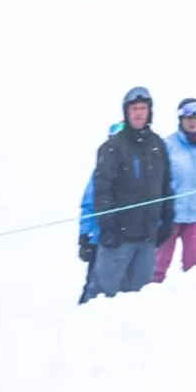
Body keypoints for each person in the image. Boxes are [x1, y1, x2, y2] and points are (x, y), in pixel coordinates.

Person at [87, 87, 173, 297]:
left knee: (139, 298)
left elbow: (167, 186)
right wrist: (107, 226)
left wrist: (167, 221)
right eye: (134, 108)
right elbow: (101, 190)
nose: (139, 113)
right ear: (126, 112)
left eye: (143, 108)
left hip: (147, 237)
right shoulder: (112, 147)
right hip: (118, 238)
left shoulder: (158, 145)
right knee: (104, 295)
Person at [154, 98, 196, 284]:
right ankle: (149, 302)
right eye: (188, 117)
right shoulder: (168, 146)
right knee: (158, 266)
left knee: (195, 268)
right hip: (171, 216)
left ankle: (195, 301)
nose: (192, 122)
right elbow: (158, 183)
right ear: (180, 119)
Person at [76, 121, 122, 304]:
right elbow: (88, 204)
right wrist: (84, 236)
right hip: (99, 239)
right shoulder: (100, 173)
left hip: (124, 238)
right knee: (94, 283)